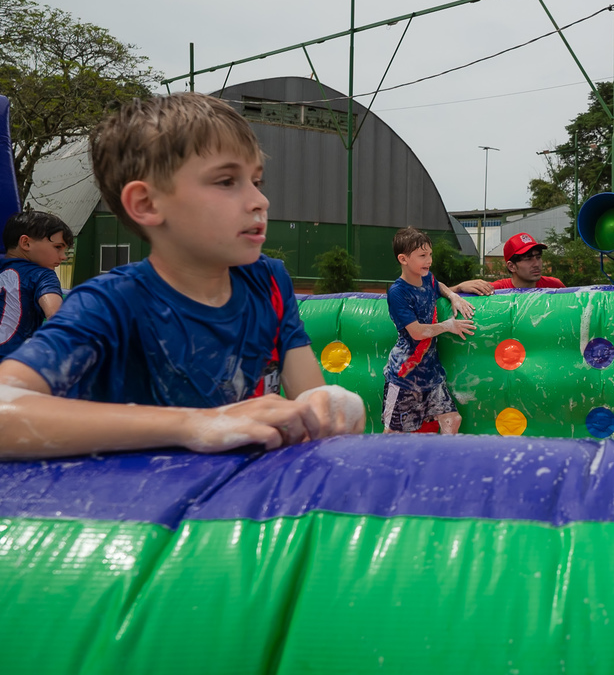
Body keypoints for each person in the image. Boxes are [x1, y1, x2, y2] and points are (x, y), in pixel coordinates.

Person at [0, 93, 363, 461]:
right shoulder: (112, 303)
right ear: (147, 204)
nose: (259, 201)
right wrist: (195, 425)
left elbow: (309, 402)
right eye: (226, 181)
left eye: (256, 181)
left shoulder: (268, 282)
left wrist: (328, 407)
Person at [382, 226, 476, 434]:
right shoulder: (398, 292)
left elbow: (438, 284)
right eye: (422, 255)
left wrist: (453, 295)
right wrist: (448, 326)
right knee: (394, 433)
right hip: (404, 374)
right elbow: (416, 332)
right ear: (403, 259)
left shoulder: (426, 278)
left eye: (430, 254)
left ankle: (442, 464)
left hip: (430, 372)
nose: (429, 260)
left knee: (452, 420)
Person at [0, 210, 74, 360]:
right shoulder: (42, 275)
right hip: (13, 365)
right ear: (26, 243)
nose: (63, 256)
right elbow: (57, 316)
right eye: (58, 247)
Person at [490, 233, 565, 289]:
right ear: (511, 266)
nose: (536, 264)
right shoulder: (495, 290)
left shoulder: (554, 286)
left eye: (538, 257)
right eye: (528, 259)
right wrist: (477, 285)